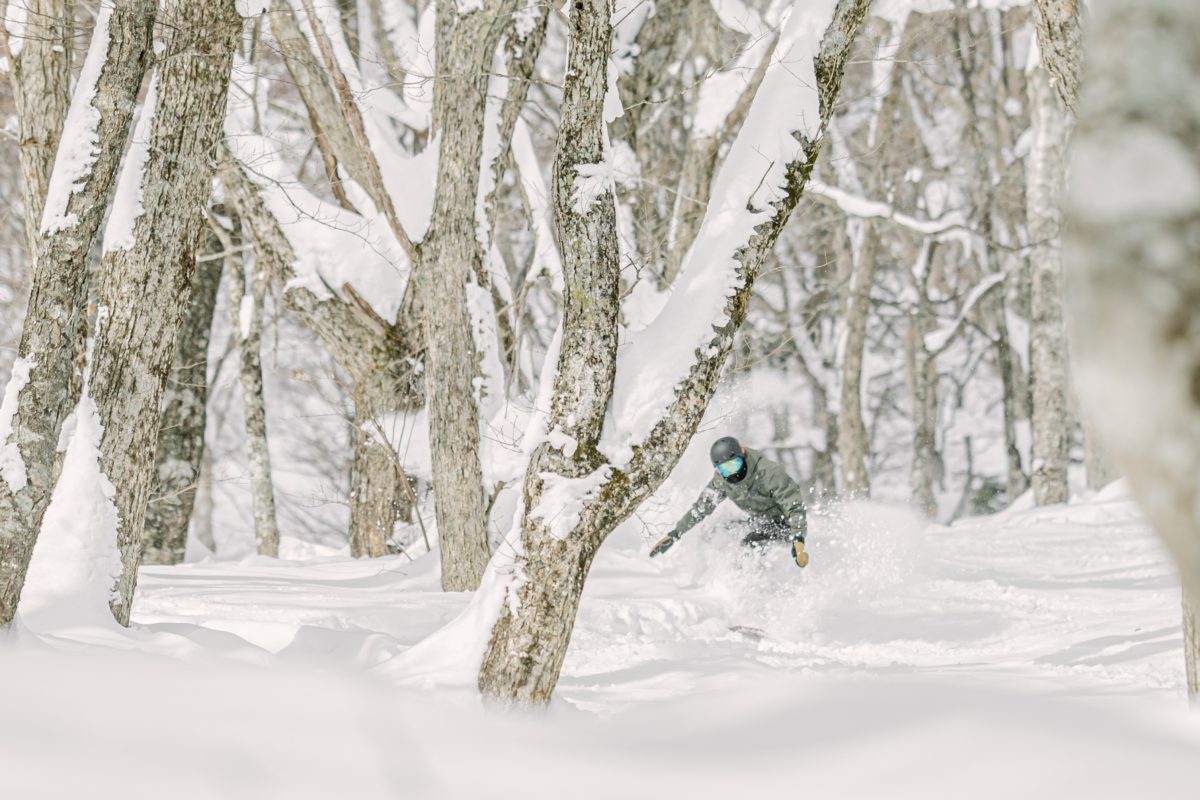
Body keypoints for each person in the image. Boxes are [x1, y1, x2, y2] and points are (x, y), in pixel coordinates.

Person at [649, 436, 809, 568]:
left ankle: (751, 581)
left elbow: (794, 507)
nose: (733, 473)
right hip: (759, 521)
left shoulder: (768, 473)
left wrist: (798, 539)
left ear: (742, 455)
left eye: (735, 464)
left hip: (784, 523)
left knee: (750, 544)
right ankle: (723, 572)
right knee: (718, 531)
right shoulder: (721, 481)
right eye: (725, 469)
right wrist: (676, 533)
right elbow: (701, 508)